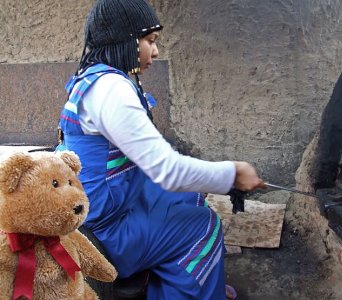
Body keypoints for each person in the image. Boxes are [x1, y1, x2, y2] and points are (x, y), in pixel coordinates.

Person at [57, 0, 265, 299]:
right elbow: (167, 171)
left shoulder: (94, 80)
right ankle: (193, 288)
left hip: (101, 210)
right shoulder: (111, 90)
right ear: (127, 39)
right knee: (203, 226)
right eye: (149, 41)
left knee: (191, 197)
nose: (154, 51)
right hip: (105, 232)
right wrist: (233, 174)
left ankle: (196, 282)